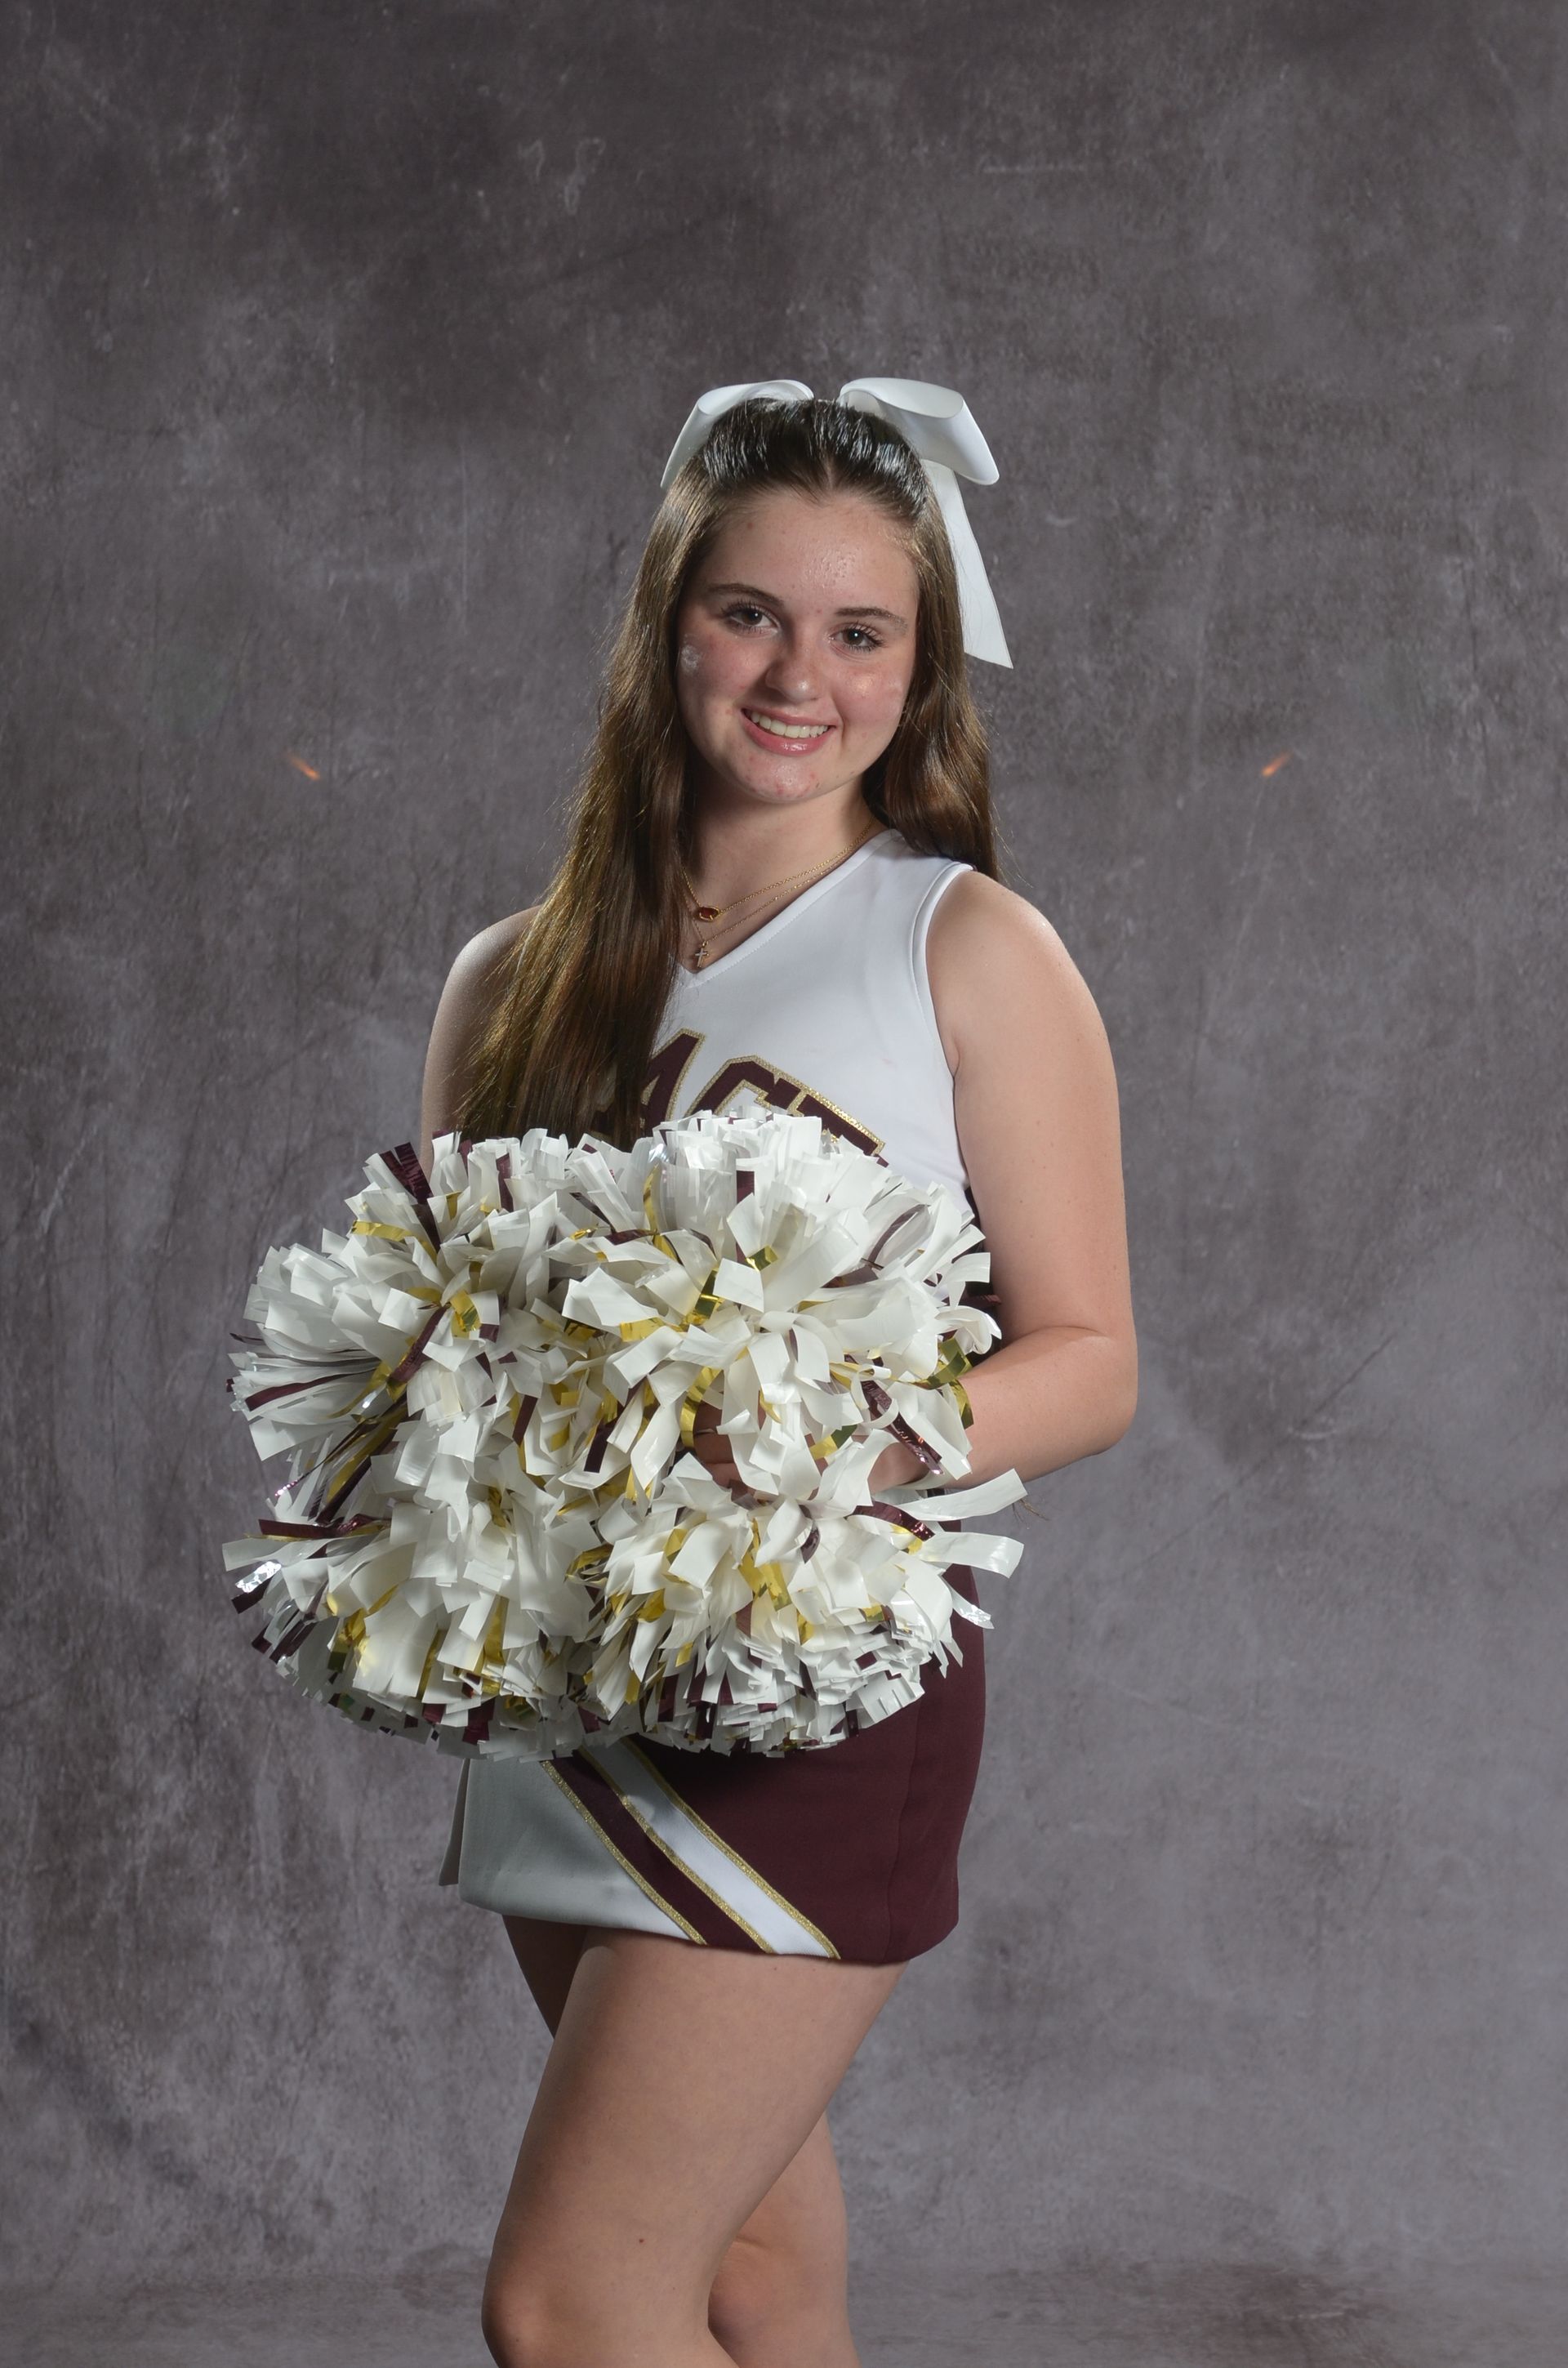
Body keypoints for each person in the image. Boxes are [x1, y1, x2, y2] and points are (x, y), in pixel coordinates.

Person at [416, 380, 1138, 2368]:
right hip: (570, 1686)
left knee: (574, 2302)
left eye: (860, 631)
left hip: (813, 1691)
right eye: (748, 613)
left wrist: (802, 1446)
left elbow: (1091, 1362)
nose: (798, 673)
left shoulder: (968, 947)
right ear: (666, 623)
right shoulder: (518, 973)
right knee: (745, 2270)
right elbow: (456, 1347)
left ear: (923, 666)